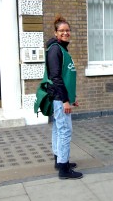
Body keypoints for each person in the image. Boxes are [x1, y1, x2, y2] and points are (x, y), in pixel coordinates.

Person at [46, 15, 83, 179]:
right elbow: (56, 78)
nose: (65, 33)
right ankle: (64, 168)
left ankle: (59, 160)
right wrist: (65, 100)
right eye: (62, 30)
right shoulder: (55, 50)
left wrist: (72, 97)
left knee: (58, 129)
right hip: (60, 99)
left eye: (67, 30)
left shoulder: (61, 49)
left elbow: (67, 75)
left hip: (62, 97)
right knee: (65, 131)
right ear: (56, 33)